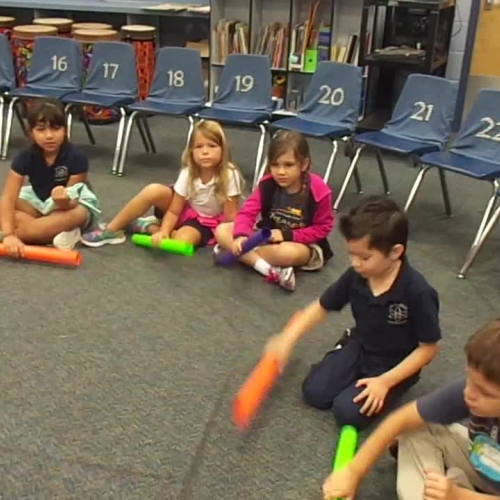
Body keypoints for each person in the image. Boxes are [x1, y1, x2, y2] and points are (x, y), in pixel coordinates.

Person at [265, 198, 441, 428]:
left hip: (393, 364)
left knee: (347, 413)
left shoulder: (418, 292)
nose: (355, 263)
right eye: (351, 254)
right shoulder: (357, 275)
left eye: (364, 257)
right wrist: (287, 338)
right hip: (360, 346)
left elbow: (428, 348)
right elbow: (321, 306)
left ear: (395, 252)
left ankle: (394, 386)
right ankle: (344, 347)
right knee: (314, 393)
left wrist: (385, 382)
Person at [323, 318, 500, 500]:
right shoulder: (473, 389)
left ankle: (457, 487)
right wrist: (353, 471)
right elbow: (402, 419)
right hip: (486, 462)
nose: (469, 393)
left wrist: (459, 496)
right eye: (469, 379)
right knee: (415, 429)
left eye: (484, 393)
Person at [82, 120, 243, 248]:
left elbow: (230, 216)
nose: (205, 152)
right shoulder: (189, 172)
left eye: (212, 146)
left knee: (183, 241)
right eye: (199, 147)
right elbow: (174, 210)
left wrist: (229, 239)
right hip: (184, 211)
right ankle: (112, 230)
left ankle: (149, 227)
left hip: (208, 222)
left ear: (223, 150)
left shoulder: (229, 175)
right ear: (191, 152)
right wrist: (165, 232)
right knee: (153, 190)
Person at [214, 130, 334, 292]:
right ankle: (269, 269)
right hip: (266, 236)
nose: (281, 172)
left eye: (288, 165)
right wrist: (240, 235)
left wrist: (286, 235)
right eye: (275, 165)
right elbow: (247, 213)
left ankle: (240, 254)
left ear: (304, 164)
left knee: (288, 254)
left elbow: (322, 229)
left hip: (301, 243)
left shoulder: (318, 190)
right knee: (222, 229)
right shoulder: (267, 184)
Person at [0, 98, 101, 254]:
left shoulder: (76, 157)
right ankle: (52, 233)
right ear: (31, 133)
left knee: (76, 214)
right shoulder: (25, 156)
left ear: (65, 130)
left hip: (70, 207)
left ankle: (33, 232)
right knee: (4, 205)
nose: (49, 136)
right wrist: (9, 234)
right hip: (40, 202)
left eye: (55, 129)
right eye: (41, 130)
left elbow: (71, 203)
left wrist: (63, 200)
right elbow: (8, 197)